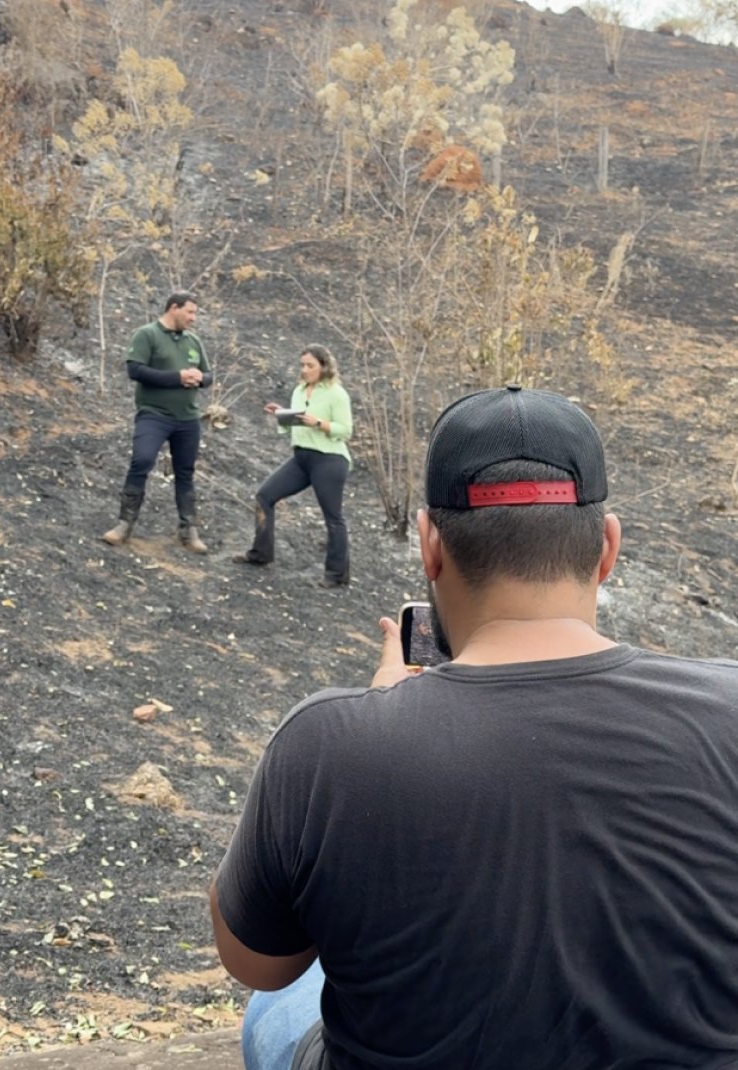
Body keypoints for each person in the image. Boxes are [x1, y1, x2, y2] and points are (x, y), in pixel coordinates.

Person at [210, 384, 738, 1070]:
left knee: (277, 1008)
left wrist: (379, 715)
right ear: (607, 548)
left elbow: (255, 960)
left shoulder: (327, 745)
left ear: (430, 546)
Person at [102, 291, 212, 554]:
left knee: (185, 472)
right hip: (154, 414)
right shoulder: (147, 334)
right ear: (173, 308)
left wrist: (200, 378)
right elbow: (136, 370)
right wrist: (177, 377)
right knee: (142, 460)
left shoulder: (193, 341)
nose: (193, 318)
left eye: (195, 313)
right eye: (190, 312)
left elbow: (209, 376)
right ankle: (124, 524)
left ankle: (189, 530)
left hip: (188, 417)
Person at [234, 345, 353, 588]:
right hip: (301, 458)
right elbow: (293, 426)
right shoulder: (299, 391)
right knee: (264, 496)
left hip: (329, 459)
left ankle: (337, 575)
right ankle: (261, 553)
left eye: (310, 366)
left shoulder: (336, 393)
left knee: (333, 517)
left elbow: (345, 431)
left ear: (324, 367)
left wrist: (318, 422)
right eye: (302, 365)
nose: (305, 370)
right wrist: (281, 415)